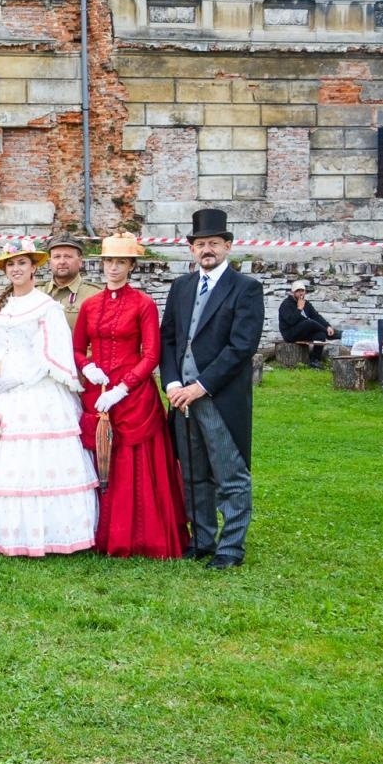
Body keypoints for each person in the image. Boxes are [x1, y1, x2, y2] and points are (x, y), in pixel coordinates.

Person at [0, 239, 98, 557]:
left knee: (32, 459)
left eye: (22, 263)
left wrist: (22, 376)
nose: (16, 269)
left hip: (34, 388)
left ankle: (42, 532)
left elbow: (53, 352)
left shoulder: (46, 307)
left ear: (34, 267)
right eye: (10, 265)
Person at [72, 232, 188, 559]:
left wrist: (124, 387)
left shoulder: (144, 304)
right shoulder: (90, 305)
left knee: (134, 464)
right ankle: (98, 532)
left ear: (130, 266)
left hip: (133, 394)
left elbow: (151, 355)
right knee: (102, 460)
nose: (113, 267)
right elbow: (78, 347)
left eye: (120, 262)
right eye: (109, 261)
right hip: (98, 391)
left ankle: (138, 536)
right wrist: (87, 366)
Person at [159, 208, 263, 569]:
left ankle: (231, 547)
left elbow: (241, 346)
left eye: (214, 243)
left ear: (228, 247)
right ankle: (202, 540)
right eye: (201, 244)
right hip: (181, 397)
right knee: (192, 472)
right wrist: (172, 382)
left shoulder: (246, 288)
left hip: (218, 397)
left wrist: (200, 386)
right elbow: (169, 338)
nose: (207, 250)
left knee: (229, 472)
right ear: (191, 249)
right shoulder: (182, 287)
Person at [42, 231, 101, 331]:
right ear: (49, 262)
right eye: (57, 257)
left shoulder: (95, 295)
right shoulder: (38, 291)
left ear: (80, 261)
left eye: (68, 256)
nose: (62, 262)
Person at [278, 280, 338, 367]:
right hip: (290, 333)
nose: (300, 293)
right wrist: (299, 309)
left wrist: (327, 326)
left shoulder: (306, 303)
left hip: (302, 332)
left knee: (320, 335)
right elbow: (291, 321)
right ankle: (333, 335)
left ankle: (315, 360)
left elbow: (316, 316)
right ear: (292, 292)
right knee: (309, 323)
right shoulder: (286, 304)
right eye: (298, 291)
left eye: (302, 291)